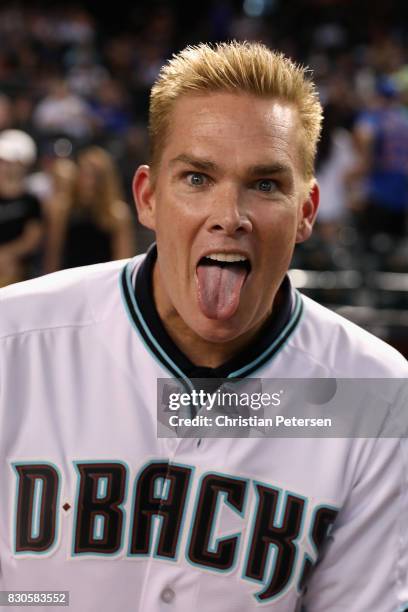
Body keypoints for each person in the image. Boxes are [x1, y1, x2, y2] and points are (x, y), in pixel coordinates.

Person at [0, 42, 407, 612]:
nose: (229, 216)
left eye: (265, 185)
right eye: (196, 178)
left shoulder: (376, 395)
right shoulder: (13, 343)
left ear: (307, 211)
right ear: (147, 196)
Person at [43, 146, 135, 273]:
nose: (88, 181)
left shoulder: (117, 214)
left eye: (95, 175)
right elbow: (53, 255)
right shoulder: (64, 209)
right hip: (70, 280)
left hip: (102, 282)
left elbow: (122, 260)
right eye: (84, 173)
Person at [0, 129, 43, 286]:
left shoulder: (31, 201)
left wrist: (7, 254)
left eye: (8, 162)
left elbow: (32, 238)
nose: (5, 167)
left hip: (20, 274)